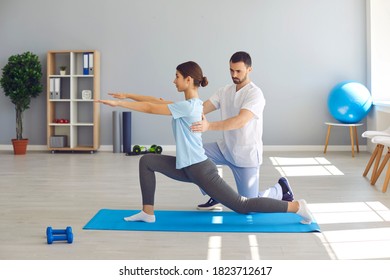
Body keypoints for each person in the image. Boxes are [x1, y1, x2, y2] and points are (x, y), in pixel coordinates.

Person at [96, 61, 314, 225]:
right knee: (147, 161)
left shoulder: (189, 107)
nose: (174, 80)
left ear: (188, 80)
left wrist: (119, 103)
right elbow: (157, 101)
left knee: (243, 205)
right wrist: (128, 95)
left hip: (200, 170)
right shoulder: (189, 105)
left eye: (177, 76)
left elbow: (152, 108)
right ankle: (147, 212)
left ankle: (296, 207)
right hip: (187, 168)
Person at [191, 51, 293, 211]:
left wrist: (209, 126)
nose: (234, 74)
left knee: (248, 205)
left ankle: (280, 190)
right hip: (225, 148)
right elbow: (201, 109)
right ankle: (216, 193)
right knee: (194, 155)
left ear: (249, 70)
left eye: (238, 71)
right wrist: (179, 109)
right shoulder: (224, 91)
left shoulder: (255, 94)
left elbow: (240, 121)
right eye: (231, 70)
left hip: (246, 156)